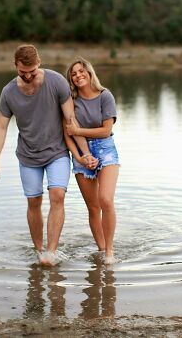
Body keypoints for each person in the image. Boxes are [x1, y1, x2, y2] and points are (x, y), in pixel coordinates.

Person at [0, 45, 97, 266]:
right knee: (34, 201)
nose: (27, 76)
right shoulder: (8, 92)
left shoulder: (56, 82)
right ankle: (39, 250)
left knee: (58, 195)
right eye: (22, 72)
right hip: (28, 156)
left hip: (56, 151)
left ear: (39, 63)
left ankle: (51, 252)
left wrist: (84, 154)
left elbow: (71, 121)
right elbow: (1, 127)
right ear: (16, 66)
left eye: (32, 71)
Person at [64, 57, 120, 264]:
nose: (78, 76)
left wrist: (79, 130)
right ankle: (101, 248)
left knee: (106, 199)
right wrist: (80, 156)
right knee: (93, 207)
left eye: (81, 71)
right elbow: (67, 134)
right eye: (73, 73)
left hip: (105, 149)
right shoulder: (70, 101)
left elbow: (106, 130)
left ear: (89, 72)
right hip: (80, 152)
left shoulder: (105, 96)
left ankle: (110, 253)